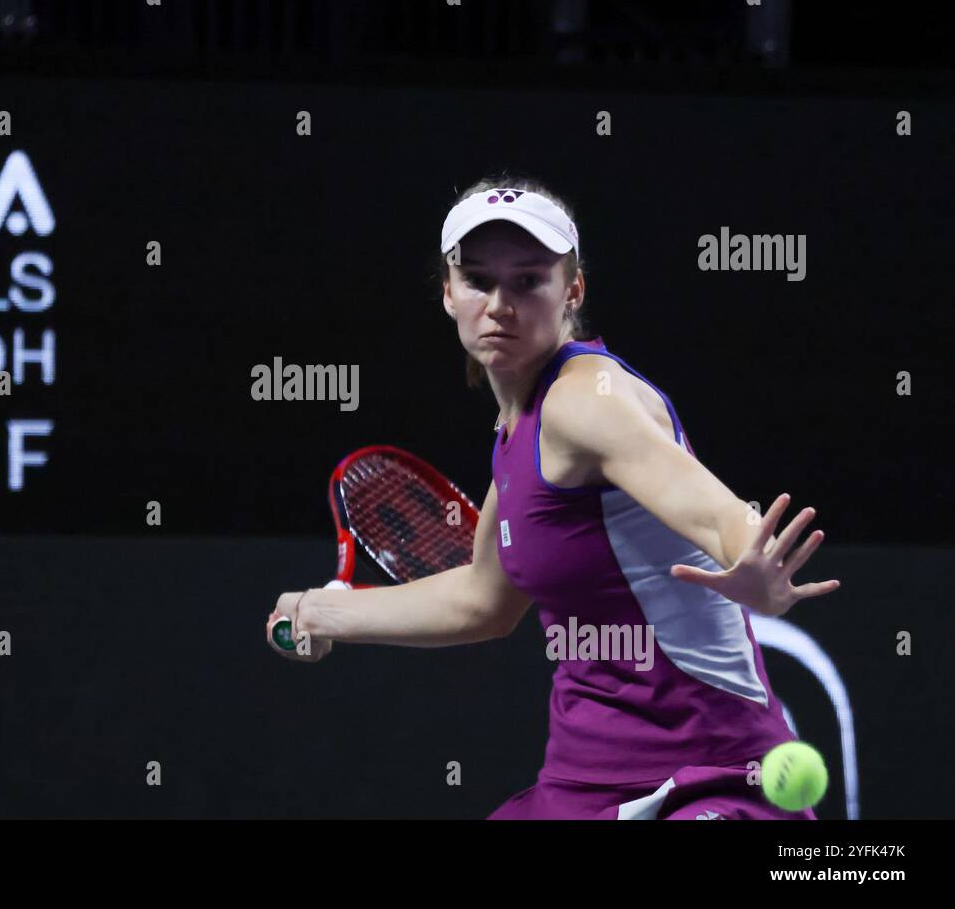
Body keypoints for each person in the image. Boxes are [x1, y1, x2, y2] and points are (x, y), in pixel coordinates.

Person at [264, 175, 841, 819]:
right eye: (478, 280)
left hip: (707, 775)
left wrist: (751, 560)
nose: (500, 303)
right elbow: (481, 601)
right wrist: (319, 612)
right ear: (449, 293)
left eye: (528, 281)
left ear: (573, 290)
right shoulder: (517, 436)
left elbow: (715, 510)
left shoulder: (583, 403)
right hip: (581, 784)